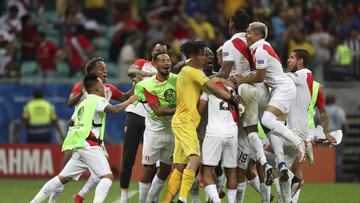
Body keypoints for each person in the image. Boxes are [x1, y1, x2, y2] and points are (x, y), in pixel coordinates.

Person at [30, 75, 138, 203]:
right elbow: (114, 110)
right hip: (90, 144)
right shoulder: (98, 100)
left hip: (79, 145)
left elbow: (71, 121)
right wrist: (130, 101)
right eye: (102, 85)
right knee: (107, 177)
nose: (104, 87)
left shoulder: (83, 103)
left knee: (62, 178)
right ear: (98, 88)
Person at [162, 40, 239, 203]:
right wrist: (232, 98)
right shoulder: (192, 71)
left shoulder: (190, 72)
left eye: (206, 55)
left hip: (184, 122)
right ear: (192, 56)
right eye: (202, 55)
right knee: (195, 160)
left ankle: (166, 200)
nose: (205, 58)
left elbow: (211, 86)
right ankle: (182, 199)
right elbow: (212, 85)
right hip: (185, 122)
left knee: (179, 166)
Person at [234, 22, 305, 192]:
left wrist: (241, 80)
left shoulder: (260, 50)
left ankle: (297, 141)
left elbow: (260, 76)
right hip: (280, 88)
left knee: (266, 120)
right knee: (271, 127)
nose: (246, 34)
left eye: (249, 32)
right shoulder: (261, 47)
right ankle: (282, 166)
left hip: (283, 88)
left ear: (258, 35)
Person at [215, 9, 273, 201]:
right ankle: (269, 195)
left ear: (231, 25)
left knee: (240, 159)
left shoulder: (230, 44)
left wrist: (205, 79)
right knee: (251, 157)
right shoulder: (259, 43)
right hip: (265, 94)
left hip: (244, 96)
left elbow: (225, 72)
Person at [64, 57, 134, 203]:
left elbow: (124, 97)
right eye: (101, 68)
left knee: (102, 168)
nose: (105, 71)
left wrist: (137, 84)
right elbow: (70, 102)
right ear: (91, 71)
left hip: (95, 133)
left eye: (105, 68)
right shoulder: (82, 85)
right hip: (81, 130)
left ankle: (79, 195)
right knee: (102, 173)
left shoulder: (108, 87)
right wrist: (82, 92)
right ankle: (72, 191)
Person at [120, 41, 169, 203]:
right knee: (128, 156)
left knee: (152, 162)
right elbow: (131, 71)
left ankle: (150, 198)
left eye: (164, 51)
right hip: (135, 112)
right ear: (152, 52)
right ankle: (124, 196)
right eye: (158, 50)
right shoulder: (143, 63)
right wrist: (151, 75)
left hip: (153, 118)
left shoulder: (168, 69)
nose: (161, 53)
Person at [285, 49, 336, 202]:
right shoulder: (316, 87)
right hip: (307, 129)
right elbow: (322, 112)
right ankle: (292, 199)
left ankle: (289, 199)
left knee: (282, 164)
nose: (289, 60)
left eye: (292, 57)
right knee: (295, 168)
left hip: (294, 128)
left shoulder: (291, 81)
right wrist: (326, 131)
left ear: (301, 61)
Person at [134, 53, 177, 203]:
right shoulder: (147, 85)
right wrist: (181, 109)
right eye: (162, 60)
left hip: (172, 131)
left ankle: (152, 199)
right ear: (155, 64)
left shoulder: (177, 80)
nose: (166, 63)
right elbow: (158, 111)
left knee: (166, 169)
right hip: (154, 131)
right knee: (148, 168)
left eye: (169, 60)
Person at [198, 79, 239, 203]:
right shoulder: (233, 91)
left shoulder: (208, 88)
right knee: (231, 171)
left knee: (206, 170)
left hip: (214, 133)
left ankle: (216, 201)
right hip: (232, 133)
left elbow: (199, 111)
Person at [325, 94, 347, 182]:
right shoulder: (339, 110)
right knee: (338, 158)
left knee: (325, 158)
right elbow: (344, 125)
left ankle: (325, 177)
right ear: (334, 101)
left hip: (324, 137)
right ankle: (338, 178)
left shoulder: (321, 110)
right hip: (337, 137)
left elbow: (316, 123)